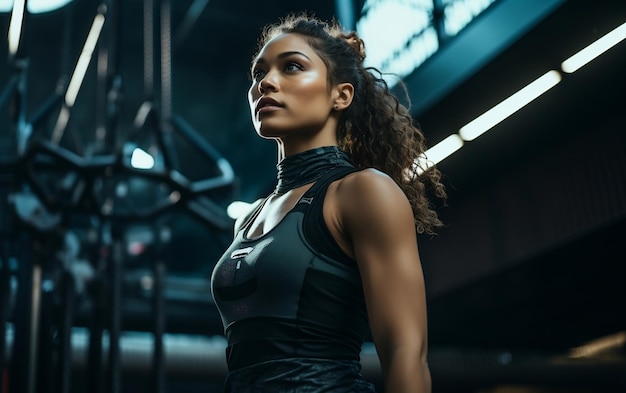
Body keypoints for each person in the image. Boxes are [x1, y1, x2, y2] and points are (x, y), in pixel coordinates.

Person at [210, 12, 446, 393]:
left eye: (291, 67)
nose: (266, 83)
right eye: (258, 74)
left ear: (341, 94)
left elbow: (407, 354)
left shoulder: (363, 192)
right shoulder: (248, 220)